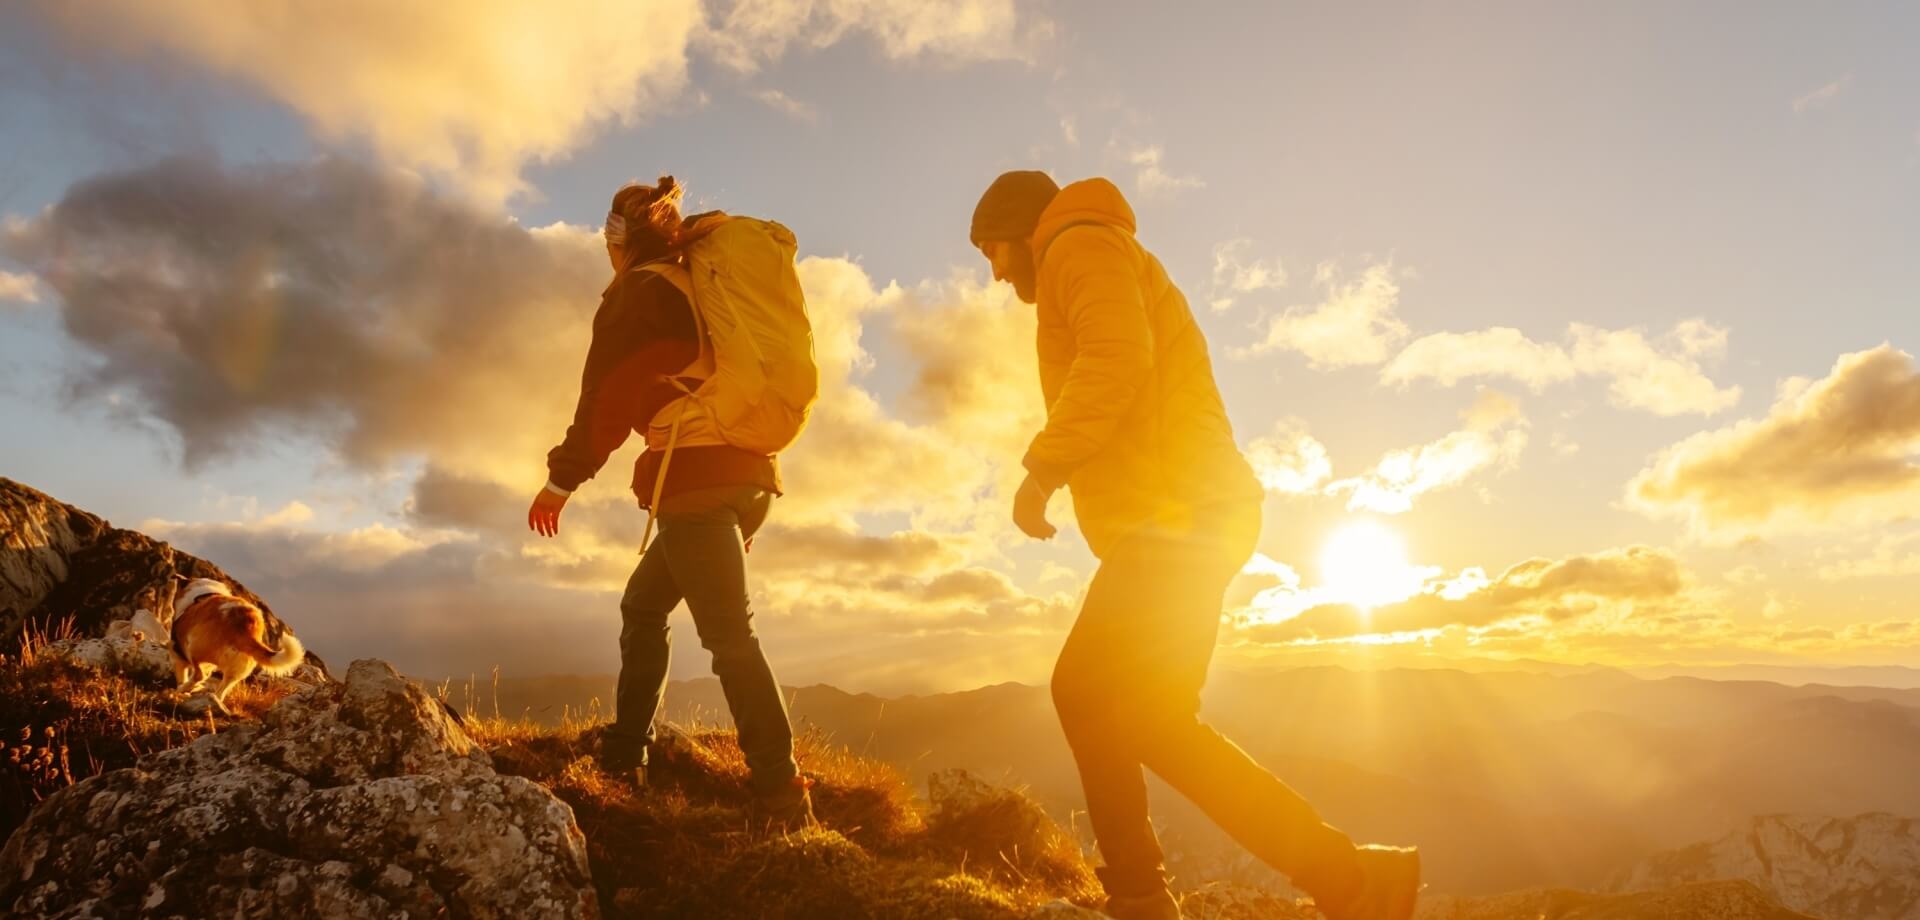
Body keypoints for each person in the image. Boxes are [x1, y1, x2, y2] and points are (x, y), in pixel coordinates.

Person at [969, 170, 1420, 920]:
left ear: (1020, 229)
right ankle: (1354, 880)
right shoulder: (1094, 248)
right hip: (1193, 515)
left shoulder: (1074, 245)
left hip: (1177, 518)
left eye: (991, 250)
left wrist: (1041, 471)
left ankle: (1142, 894)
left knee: (1084, 691)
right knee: (1153, 719)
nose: (995, 272)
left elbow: (1116, 360)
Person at [528, 176, 812, 825]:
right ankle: (626, 754)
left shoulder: (639, 292)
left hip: (696, 483)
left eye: (608, 228)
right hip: (746, 475)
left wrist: (562, 479)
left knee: (730, 637)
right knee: (644, 604)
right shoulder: (696, 283)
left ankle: (780, 789)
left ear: (619, 236)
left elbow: (605, 396)